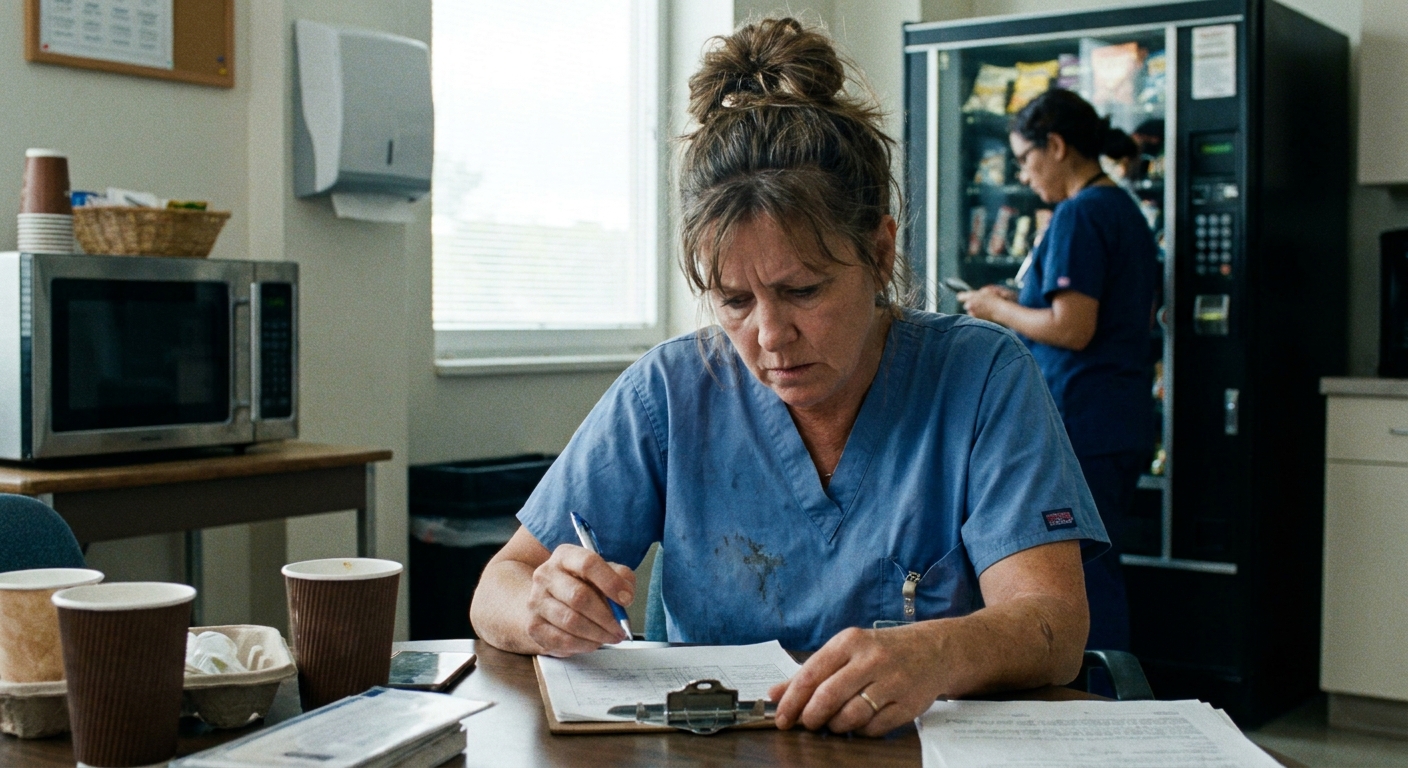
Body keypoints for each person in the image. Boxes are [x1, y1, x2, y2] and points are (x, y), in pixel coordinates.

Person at [471, 19, 1109, 737]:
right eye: (735, 301)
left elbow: (1054, 624)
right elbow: (499, 583)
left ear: (878, 250)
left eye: (803, 290)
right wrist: (542, 607)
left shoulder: (982, 375)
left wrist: (937, 653)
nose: (769, 337)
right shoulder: (672, 393)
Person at [957, 89, 1160, 653]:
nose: (1024, 174)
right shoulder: (1122, 208)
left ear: (1058, 145)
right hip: (1119, 418)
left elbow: (1073, 327)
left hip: (1084, 421)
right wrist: (1019, 298)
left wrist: (994, 310)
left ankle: (1098, 705)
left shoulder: (1079, 213)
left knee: (1081, 577)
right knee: (1101, 563)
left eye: (1026, 158)